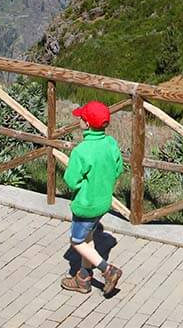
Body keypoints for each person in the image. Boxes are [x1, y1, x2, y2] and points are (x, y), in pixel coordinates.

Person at [61, 100, 124, 294]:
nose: (79, 118)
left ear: (87, 124)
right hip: (103, 202)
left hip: (86, 204)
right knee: (88, 238)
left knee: (77, 241)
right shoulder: (111, 144)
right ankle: (83, 278)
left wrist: (83, 186)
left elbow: (71, 181)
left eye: (81, 117)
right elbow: (119, 169)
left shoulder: (81, 151)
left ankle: (107, 270)